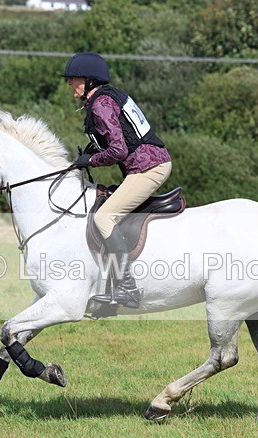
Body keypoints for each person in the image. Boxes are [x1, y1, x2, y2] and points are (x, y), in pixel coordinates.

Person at [63, 52, 172, 310]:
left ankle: (127, 287)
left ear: (89, 81)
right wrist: (91, 152)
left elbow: (119, 151)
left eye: (73, 79)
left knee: (103, 217)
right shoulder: (107, 98)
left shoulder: (101, 104)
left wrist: (89, 162)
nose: (70, 84)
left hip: (149, 168)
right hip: (147, 165)